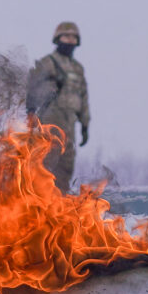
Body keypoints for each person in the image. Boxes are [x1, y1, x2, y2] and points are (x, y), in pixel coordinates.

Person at [26, 22, 91, 191]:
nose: (69, 40)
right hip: (51, 118)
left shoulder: (78, 68)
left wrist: (85, 124)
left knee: (66, 163)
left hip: (70, 120)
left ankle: (60, 202)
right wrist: (32, 113)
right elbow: (32, 89)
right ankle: (42, 202)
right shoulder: (47, 63)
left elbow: (83, 96)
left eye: (73, 37)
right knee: (48, 162)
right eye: (66, 36)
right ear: (57, 38)